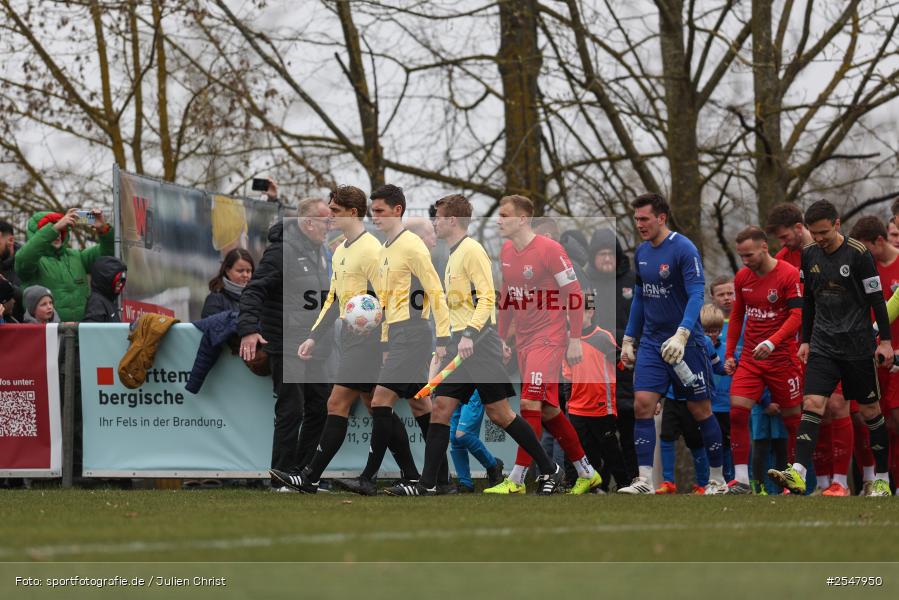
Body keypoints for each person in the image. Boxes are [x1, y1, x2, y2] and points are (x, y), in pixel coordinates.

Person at [384, 193, 563, 496]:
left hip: (479, 345)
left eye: (438, 217)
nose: (434, 223)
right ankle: (428, 485)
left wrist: (469, 334)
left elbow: (488, 298)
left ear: (452, 220)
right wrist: (447, 341)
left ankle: (551, 470)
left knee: (501, 415)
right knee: (441, 409)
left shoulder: (472, 251)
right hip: (459, 345)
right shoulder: (453, 253)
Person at [271, 185, 424, 494]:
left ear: (353, 213)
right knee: (374, 406)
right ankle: (411, 473)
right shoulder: (339, 250)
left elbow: (387, 297)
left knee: (336, 402)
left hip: (371, 340)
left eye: (336, 212)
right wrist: (314, 336)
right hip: (352, 338)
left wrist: (381, 338)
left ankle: (310, 476)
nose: (331, 217)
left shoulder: (371, 249)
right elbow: (335, 299)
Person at [331, 184, 453, 496]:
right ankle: (442, 480)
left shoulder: (412, 246)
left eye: (380, 211)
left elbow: (435, 290)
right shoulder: (385, 248)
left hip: (413, 334)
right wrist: (385, 343)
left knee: (380, 401)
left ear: (398, 210)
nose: (375, 217)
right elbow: (385, 303)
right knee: (419, 404)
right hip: (397, 336)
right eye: (373, 211)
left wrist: (442, 337)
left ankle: (368, 478)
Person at [768, 200, 893, 497]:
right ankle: (797, 473)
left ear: (837, 224)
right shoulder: (809, 255)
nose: (820, 238)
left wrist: (885, 341)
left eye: (824, 231)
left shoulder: (860, 255)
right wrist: (806, 341)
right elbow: (809, 301)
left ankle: (883, 479)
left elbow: (877, 300)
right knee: (812, 403)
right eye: (815, 232)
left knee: (870, 412)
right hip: (823, 345)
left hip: (857, 347)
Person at [488, 194, 600, 495]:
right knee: (549, 411)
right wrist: (502, 338)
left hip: (549, 339)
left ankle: (517, 479)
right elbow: (507, 297)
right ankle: (586, 472)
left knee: (528, 404)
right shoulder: (507, 250)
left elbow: (575, 294)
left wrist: (574, 338)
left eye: (505, 214)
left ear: (522, 219)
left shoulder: (551, 249)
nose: (498, 219)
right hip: (524, 340)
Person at [618, 193, 727, 495]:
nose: (639, 224)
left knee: (700, 410)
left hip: (686, 345)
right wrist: (629, 338)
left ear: (661, 218)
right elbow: (641, 298)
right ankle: (644, 481)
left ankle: (717, 480)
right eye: (636, 219)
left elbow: (696, 295)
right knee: (642, 405)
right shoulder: (641, 252)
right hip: (653, 344)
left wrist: (683, 334)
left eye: (644, 218)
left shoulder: (684, 249)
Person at [238, 198, 333, 487]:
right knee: (292, 408)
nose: (329, 227)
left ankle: (302, 476)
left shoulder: (321, 252)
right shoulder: (281, 252)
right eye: (326, 222)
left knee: (320, 409)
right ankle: (280, 476)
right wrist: (248, 329)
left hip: (315, 345)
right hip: (286, 342)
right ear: (308, 223)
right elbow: (254, 291)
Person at [723, 226, 803, 494]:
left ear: (764, 248)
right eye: (741, 256)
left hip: (782, 358)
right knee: (737, 411)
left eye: (749, 255)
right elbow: (736, 317)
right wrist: (730, 353)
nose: (745, 261)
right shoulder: (742, 278)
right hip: (751, 359)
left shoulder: (788, 275)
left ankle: (795, 478)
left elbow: (797, 316)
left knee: (793, 419)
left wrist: (773, 342)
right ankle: (742, 480)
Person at [850, 216, 899, 494]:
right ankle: (877, 481)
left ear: (878, 241)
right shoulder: (863, 268)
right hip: (870, 355)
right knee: (872, 421)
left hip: (894, 356)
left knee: (895, 421)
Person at [586, 228, 638, 482]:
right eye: (602, 254)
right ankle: (599, 480)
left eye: (611, 254)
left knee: (628, 423)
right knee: (598, 428)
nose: (607, 259)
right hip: (594, 365)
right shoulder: (586, 283)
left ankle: (634, 480)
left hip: (627, 362)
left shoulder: (632, 280)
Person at [565, 305, 630, 492]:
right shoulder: (567, 341)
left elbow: (622, 365)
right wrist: (568, 401)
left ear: (590, 312)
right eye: (569, 314)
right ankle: (589, 486)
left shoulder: (603, 337)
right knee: (582, 451)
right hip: (577, 407)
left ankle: (624, 484)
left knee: (610, 449)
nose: (572, 317)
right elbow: (567, 376)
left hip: (601, 405)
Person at [15, 208, 114, 322]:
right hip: (49, 335)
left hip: (82, 332)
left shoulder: (77, 256)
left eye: (62, 231)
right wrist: (55, 228)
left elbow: (108, 255)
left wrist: (103, 229)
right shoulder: (33, 262)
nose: (58, 235)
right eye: (55, 230)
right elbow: (23, 259)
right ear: (39, 234)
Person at [701, 302, 734, 484]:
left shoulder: (722, 348)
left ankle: (727, 479)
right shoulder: (698, 343)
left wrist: (729, 367)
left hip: (723, 406)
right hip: (704, 403)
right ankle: (706, 481)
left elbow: (719, 367)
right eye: (707, 330)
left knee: (726, 444)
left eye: (716, 330)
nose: (711, 335)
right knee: (705, 441)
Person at [202, 248, 254, 318]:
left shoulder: (256, 298)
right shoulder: (215, 300)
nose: (245, 275)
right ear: (227, 271)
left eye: (248, 271)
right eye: (240, 271)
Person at [82, 257, 127, 323]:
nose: (120, 285)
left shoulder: (108, 299)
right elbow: (92, 330)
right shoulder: (96, 303)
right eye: (118, 281)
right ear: (106, 280)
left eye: (122, 281)